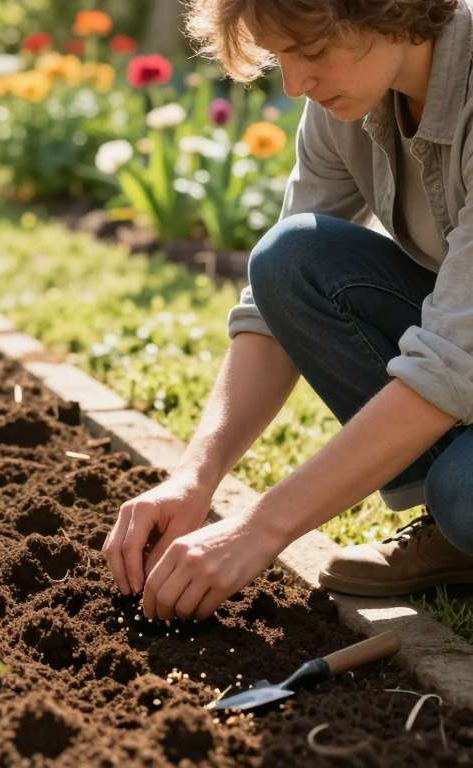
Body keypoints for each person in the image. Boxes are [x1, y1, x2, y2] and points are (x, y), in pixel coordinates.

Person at [102, 0, 473, 622]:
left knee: (463, 494)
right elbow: (273, 304)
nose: (295, 84)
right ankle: (458, 539)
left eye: (310, 53)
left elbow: (451, 363)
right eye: (282, 58)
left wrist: (259, 529)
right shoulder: (353, 102)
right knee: (291, 256)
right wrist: (195, 477)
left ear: (390, 11)